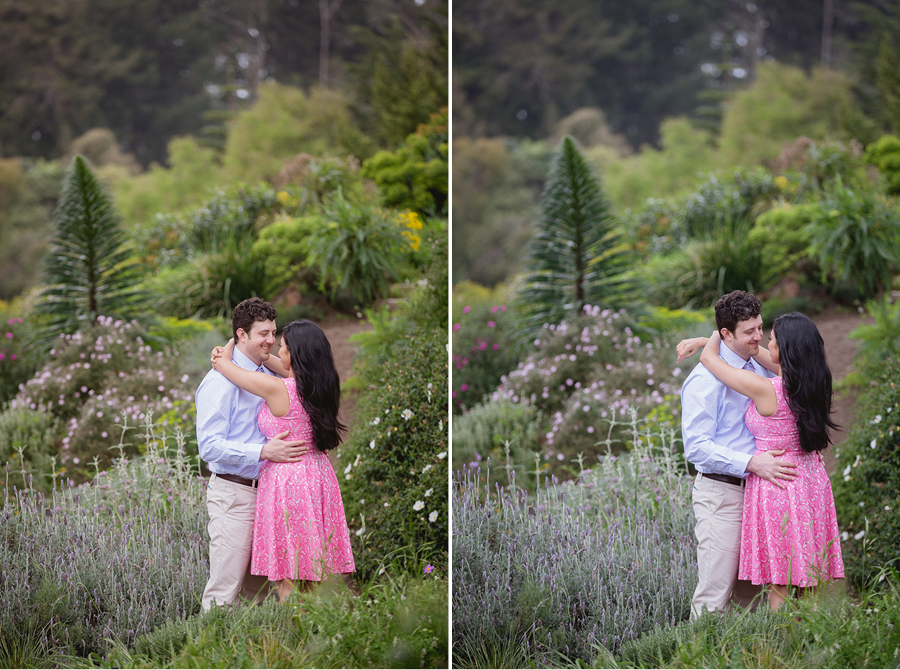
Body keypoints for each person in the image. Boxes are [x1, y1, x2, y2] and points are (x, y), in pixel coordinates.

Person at [690, 312, 844, 610]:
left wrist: (713, 338)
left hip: (779, 484)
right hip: (811, 482)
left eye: (770, 339)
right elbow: (765, 358)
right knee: (807, 577)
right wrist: (724, 341)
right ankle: (806, 644)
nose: (763, 342)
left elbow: (710, 361)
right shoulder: (815, 381)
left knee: (781, 581)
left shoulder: (767, 389)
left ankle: (782, 647)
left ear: (782, 351)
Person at [211, 319, 355, 602]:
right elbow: (284, 365)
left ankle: (296, 634)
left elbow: (226, 367)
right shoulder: (321, 385)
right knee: (311, 569)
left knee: (290, 570)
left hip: (290, 482)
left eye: (283, 348)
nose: (278, 352)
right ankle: (317, 629)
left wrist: (227, 349)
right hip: (318, 477)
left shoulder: (280, 389)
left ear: (296, 356)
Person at [678, 290, 800, 617]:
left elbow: (790, 369)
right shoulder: (703, 382)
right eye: (749, 332)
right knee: (714, 594)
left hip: (759, 495)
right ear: (727, 334)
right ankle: (694, 662)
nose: (758, 337)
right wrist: (751, 462)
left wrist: (708, 342)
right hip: (722, 494)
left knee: (749, 596)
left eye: (761, 328)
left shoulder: (758, 367)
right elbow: (697, 447)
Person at [196, 298, 309, 612]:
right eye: (263, 334)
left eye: (274, 333)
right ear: (241, 335)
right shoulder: (219, 383)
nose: (271, 341)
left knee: (255, 594)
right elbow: (208, 446)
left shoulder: (270, 378)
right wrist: (263, 451)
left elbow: (298, 376)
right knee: (223, 591)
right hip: (234, 494)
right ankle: (206, 656)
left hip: (269, 496)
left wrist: (230, 350)